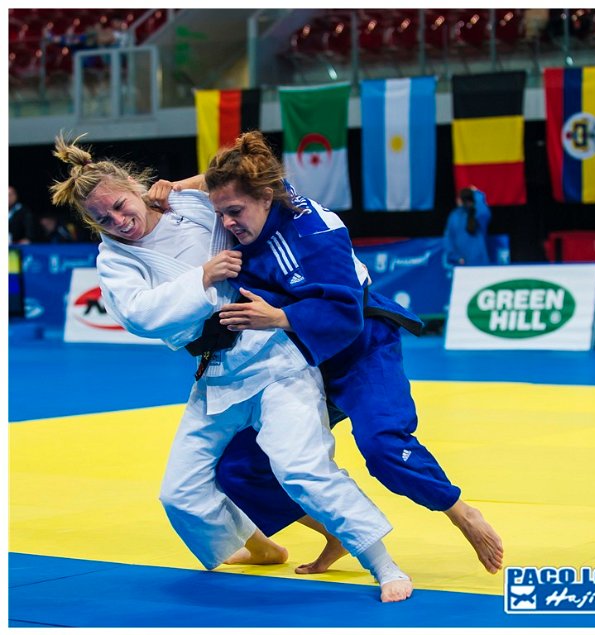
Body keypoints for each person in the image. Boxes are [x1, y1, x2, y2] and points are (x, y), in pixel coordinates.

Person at [49, 132, 413, 603]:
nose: (119, 222)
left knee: (300, 466)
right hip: (216, 369)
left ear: (136, 187)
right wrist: (201, 277)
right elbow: (139, 315)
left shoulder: (191, 205)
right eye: (103, 219)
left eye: (120, 205)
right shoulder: (114, 257)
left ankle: (384, 564)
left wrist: (183, 184)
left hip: (275, 355)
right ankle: (259, 547)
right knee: (180, 493)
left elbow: (239, 182)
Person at [156, 131, 504, 576]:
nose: (226, 223)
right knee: (239, 468)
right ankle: (334, 532)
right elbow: (218, 179)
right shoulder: (258, 191)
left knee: (381, 447)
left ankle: (461, 512)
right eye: (220, 212)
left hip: (361, 347)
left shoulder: (317, 232)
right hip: (299, 359)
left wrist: (278, 316)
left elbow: (345, 313)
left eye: (234, 212)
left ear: (265, 197)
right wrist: (176, 188)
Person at [443, 186, 492, 266]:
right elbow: (448, 239)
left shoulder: (478, 214)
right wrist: (456, 257)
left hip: (480, 262)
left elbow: (484, 212)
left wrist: (476, 193)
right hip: (461, 262)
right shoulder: (454, 215)